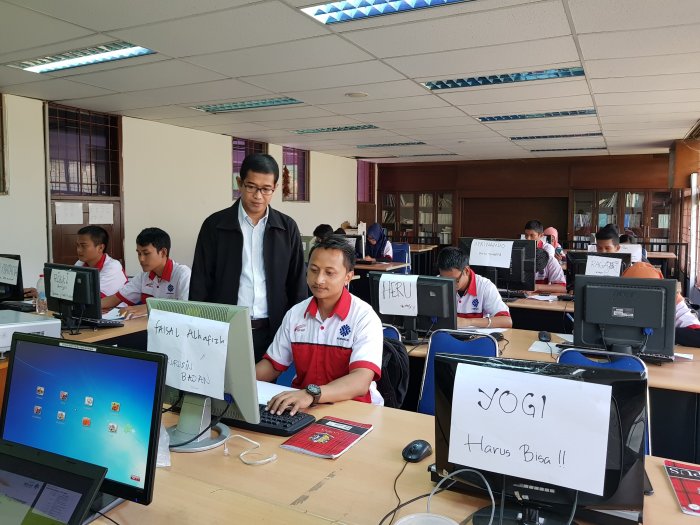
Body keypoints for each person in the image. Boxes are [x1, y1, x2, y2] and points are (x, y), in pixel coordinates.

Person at [189, 153, 307, 362]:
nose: (258, 196)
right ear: (239, 183)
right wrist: (199, 329)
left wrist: (297, 329)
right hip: (225, 330)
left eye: (266, 189)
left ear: (275, 188)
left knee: (267, 383)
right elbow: (200, 282)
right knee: (225, 382)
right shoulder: (215, 225)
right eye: (251, 187)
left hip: (274, 332)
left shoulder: (287, 228)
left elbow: (297, 282)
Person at [256, 236, 384, 415]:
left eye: (329, 273)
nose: (319, 280)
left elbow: (360, 381)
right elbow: (273, 365)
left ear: (348, 277)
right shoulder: (296, 314)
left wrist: (311, 394)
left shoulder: (364, 317)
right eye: (313, 270)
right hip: (304, 409)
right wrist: (234, 381)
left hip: (355, 409)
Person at [101, 227, 190, 319]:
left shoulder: (183, 274)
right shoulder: (143, 277)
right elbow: (115, 298)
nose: (141, 259)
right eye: (139, 253)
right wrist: (92, 307)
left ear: (163, 252)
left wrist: (150, 307)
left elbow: (188, 308)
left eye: (146, 253)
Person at [622, 262, 700, 346]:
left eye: (649, 292)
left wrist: (653, 332)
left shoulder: (672, 300)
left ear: (661, 290)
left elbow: (697, 336)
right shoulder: (617, 301)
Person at [437, 247, 512, 329]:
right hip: (445, 334)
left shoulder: (485, 286)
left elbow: (506, 321)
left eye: (455, 280)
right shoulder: (436, 284)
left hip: (475, 336)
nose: (450, 284)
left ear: (466, 271)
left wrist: (468, 322)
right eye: (444, 279)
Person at [75, 225, 127, 297]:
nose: (78, 250)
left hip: (110, 304)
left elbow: (92, 296)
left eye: (84, 246)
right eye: (77, 245)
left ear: (100, 248)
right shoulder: (80, 263)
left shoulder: (113, 266)